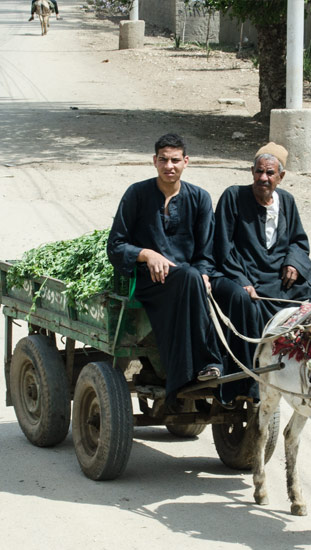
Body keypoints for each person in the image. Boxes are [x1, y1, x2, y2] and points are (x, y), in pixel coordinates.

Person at [107, 133, 224, 409]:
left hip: (189, 279)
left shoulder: (200, 198)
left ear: (186, 162)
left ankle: (225, 372)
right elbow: (115, 246)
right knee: (190, 278)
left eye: (175, 160)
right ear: (154, 161)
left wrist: (204, 274)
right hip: (148, 281)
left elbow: (206, 253)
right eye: (163, 160)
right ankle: (202, 365)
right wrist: (146, 254)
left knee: (216, 286)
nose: (169, 166)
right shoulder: (137, 194)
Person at [210, 142, 311, 405]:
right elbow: (222, 246)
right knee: (246, 302)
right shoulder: (233, 197)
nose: (263, 178)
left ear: (280, 177)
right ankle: (249, 381)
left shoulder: (288, 202)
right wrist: (242, 280)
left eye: (270, 173)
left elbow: (299, 241)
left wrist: (294, 263)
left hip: (277, 278)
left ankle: (310, 370)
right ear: (252, 172)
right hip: (243, 273)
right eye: (259, 172)